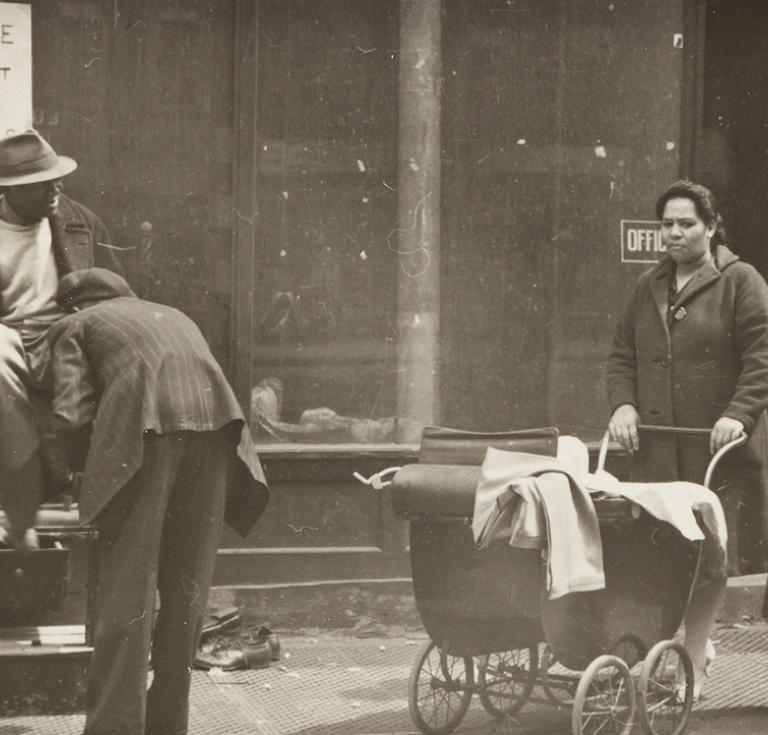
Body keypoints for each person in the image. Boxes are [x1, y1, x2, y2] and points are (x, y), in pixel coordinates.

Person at [41, 267, 269, 735]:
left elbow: (67, 415)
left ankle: (115, 728)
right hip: (219, 434)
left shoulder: (76, 325)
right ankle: (168, 724)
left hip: (145, 438)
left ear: (74, 305)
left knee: (128, 593)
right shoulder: (171, 314)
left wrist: (72, 476)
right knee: (187, 593)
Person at [607, 179, 768, 698]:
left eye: (686, 224)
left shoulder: (741, 282)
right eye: (667, 225)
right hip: (656, 451)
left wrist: (739, 415)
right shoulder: (648, 285)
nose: (674, 234)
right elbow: (621, 358)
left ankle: (693, 663)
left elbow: (761, 361)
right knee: (660, 557)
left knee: (708, 562)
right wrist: (624, 404)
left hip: (717, 453)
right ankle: (661, 651)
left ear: (711, 226)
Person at [0, 129, 123, 548]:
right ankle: (24, 487)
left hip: (69, 331)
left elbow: (115, 290)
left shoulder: (79, 221)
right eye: (42, 182)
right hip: (10, 336)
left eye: (57, 177)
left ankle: (102, 503)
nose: (57, 187)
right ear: (10, 190)